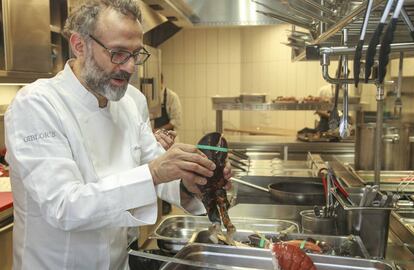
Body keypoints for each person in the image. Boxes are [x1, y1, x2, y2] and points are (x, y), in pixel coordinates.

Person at [4, 1, 231, 269]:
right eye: (118, 53)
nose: (130, 67)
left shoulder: (131, 101)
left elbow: (155, 166)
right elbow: (64, 206)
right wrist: (156, 172)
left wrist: (190, 183)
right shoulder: (37, 104)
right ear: (79, 45)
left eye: (136, 54)